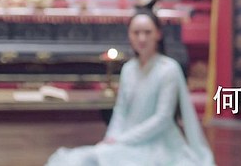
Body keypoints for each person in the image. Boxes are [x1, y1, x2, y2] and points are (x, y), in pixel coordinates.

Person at [46, 9, 215, 166]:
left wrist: (124, 139)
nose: (142, 38)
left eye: (147, 32)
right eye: (136, 33)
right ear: (129, 35)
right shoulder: (128, 69)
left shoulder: (168, 69)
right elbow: (121, 110)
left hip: (159, 143)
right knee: (78, 160)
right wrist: (111, 138)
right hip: (125, 138)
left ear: (158, 34)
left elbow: (162, 118)